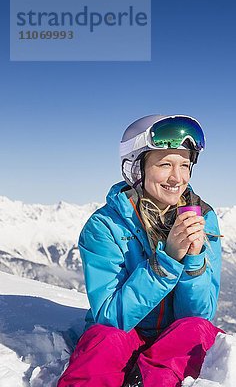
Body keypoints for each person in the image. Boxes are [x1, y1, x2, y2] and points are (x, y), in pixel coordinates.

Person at [58, 114, 224, 387]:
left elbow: (197, 316)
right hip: (123, 332)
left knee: (197, 331)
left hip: (173, 339)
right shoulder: (105, 226)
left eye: (184, 164)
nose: (177, 177)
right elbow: (110, 317)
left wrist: (193, 261)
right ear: (137, 169)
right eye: (165, 164)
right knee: (104, 340)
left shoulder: (203, 219)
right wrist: (167, 262)